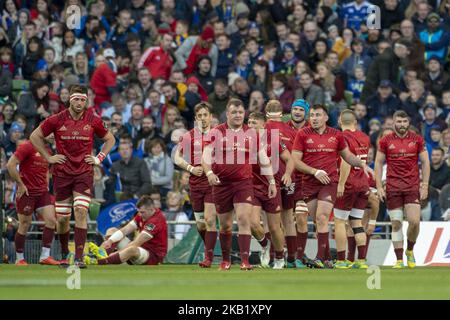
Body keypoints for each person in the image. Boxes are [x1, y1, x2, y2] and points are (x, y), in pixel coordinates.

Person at [30, 84, 116, 268]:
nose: (79, 102)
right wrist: (49, 157)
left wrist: (99, 158)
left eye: (83, 100)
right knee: (61, 219)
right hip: (61, 174)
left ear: (87, 101)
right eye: (76, 99)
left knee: (81, 211)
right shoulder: (56, 119)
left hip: (84, 173)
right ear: (69, 99)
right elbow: (34, 136)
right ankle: (64, 253)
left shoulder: (93, 120)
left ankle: (78, 257)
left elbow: (110, 139)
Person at [292, 104, 372, 268]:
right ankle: (327, 257)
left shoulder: (336, 135)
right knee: (317, 221)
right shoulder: (302, 134)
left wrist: (362, 164)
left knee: (322, 217)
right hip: (309, 183)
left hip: (330, 182)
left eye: (318, 115)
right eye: (312, 115)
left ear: (326, 118)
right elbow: (296, 161)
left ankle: (319, 258)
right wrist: (314, 172)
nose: (314, 118)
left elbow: (347, 156)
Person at [202, 98, 276, 270]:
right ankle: (226, 260)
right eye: (234, 112)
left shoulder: (251, 133)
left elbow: (263, 158)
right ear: (227, 114)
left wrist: (271, 181)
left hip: (243, 183)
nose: (237, 115)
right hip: (221, 184)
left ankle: (245, 261)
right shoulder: (216, 132)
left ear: (244, 114)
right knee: (226, 225)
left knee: (243, 218)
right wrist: (209, 173)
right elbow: (205, 157)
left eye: (240, 112)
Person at [375, 110, 430, 268]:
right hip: (393, 187)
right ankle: (399, 259)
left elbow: (426, 162)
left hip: (412, 186)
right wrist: (379, 186)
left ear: (409, 122)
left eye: (404, 122)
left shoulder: (417, 139)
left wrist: (424, 185)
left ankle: (410, 251)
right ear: (393, 123)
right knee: (397, 223)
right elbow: (378, 163)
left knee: (414, 222)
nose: (402, 125)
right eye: (398, 122)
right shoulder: (385, 141)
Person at [248, 110, 293, 269]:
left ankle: (280, 257)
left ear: (263, 124)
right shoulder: (244, 140)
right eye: (249, 122)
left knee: (275, 227)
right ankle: (266, 246)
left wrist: (288, 174)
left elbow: (289, 159)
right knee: (252, 222)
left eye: (254, 122)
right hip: (252, 187)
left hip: (271, 186)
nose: (250, 125)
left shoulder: (273, 139)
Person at [174, 102, 217, 268]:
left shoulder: (217, 135)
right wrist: (191, 168)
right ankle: (210, 248)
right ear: (195, 118)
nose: (203, 118)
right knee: (200, 223)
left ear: (211, 117)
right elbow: (177, 157)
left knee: (209, 219)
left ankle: (209, 257)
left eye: (206, 115)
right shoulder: (188, 136)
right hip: (195, 183)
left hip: (212, 182)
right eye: (200, 116)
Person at [7, 138, 59, 266]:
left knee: (51, 221)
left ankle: (45, 256)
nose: (53, 136)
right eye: (51, 133)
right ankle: (19, 259)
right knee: (24, 224)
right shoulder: (27, 146)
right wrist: (20, 184)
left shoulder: (47, 150)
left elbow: (46, 169)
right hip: (27, 192)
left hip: (42, 192)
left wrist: (46, 185)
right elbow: (10, 165)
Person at [265, 99, 303, 268]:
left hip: (267, 178)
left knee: (269, 220)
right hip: (289, 177)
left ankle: (272, 256)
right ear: (282, 113)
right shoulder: (292, 131)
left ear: (266, 112)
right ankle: (292, 258)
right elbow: (295, 157)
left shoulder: (262, 129)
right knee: (288, 218)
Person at [334, 109, 371, 269]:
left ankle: (341, 260)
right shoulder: (365, 137)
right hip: (363, 183)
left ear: (339, 122)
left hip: (349, 183)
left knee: (340, 222)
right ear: (355, 122)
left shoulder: (341, 137)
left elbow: (345, 161)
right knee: (356, 222)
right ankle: (361, 260)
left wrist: (341, 184)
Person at [87, 195, 167, 265]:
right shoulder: (141, 215)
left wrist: (117, 253)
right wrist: (110, 241)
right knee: (112, 230)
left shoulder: (156, 221)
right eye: (139, 212)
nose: (140, 215)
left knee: (132, 249)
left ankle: (99, 261)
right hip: (140, 250)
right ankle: (102, 254)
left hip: (152, 256)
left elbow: (137, 242)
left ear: (151, 209)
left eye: (143, 212)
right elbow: (125, 230)